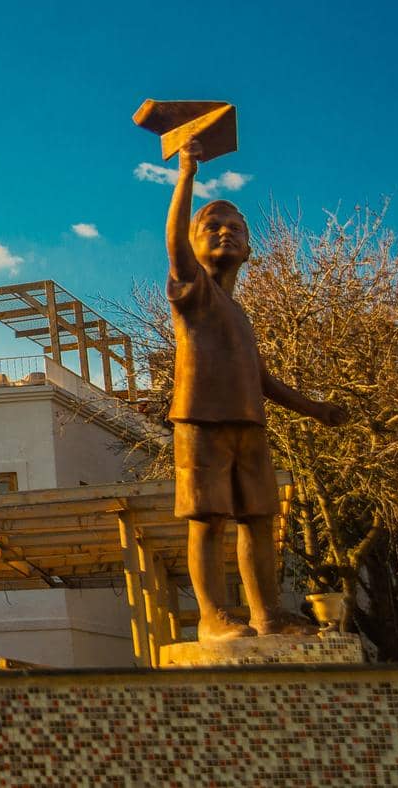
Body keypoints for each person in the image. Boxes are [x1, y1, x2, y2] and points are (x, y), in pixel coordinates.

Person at [167, 137, 345, 639]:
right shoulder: (192, 289)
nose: (226, 232)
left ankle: (266, 614)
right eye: (213, 226)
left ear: (249, 248)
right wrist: (186, 175)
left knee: (259, 519)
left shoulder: (240, 314)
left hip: (249, 424)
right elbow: (174, 242)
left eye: (236, 228)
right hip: (201, 422)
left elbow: (261, 380)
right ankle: (211, 616)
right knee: (208, 518)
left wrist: (316, 409)